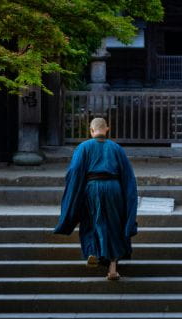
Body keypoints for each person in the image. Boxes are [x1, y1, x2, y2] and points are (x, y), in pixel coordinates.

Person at [53, 117, 138, 280]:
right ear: (107, 129)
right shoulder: (116, 148)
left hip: (92, 187)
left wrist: (73, 195)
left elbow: (75, 172)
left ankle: (93, 252)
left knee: (91, 220)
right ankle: (112, 269)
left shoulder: (83, 147)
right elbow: (128, 176)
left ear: (91, 130)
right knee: (114, 224)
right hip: (114, 188)